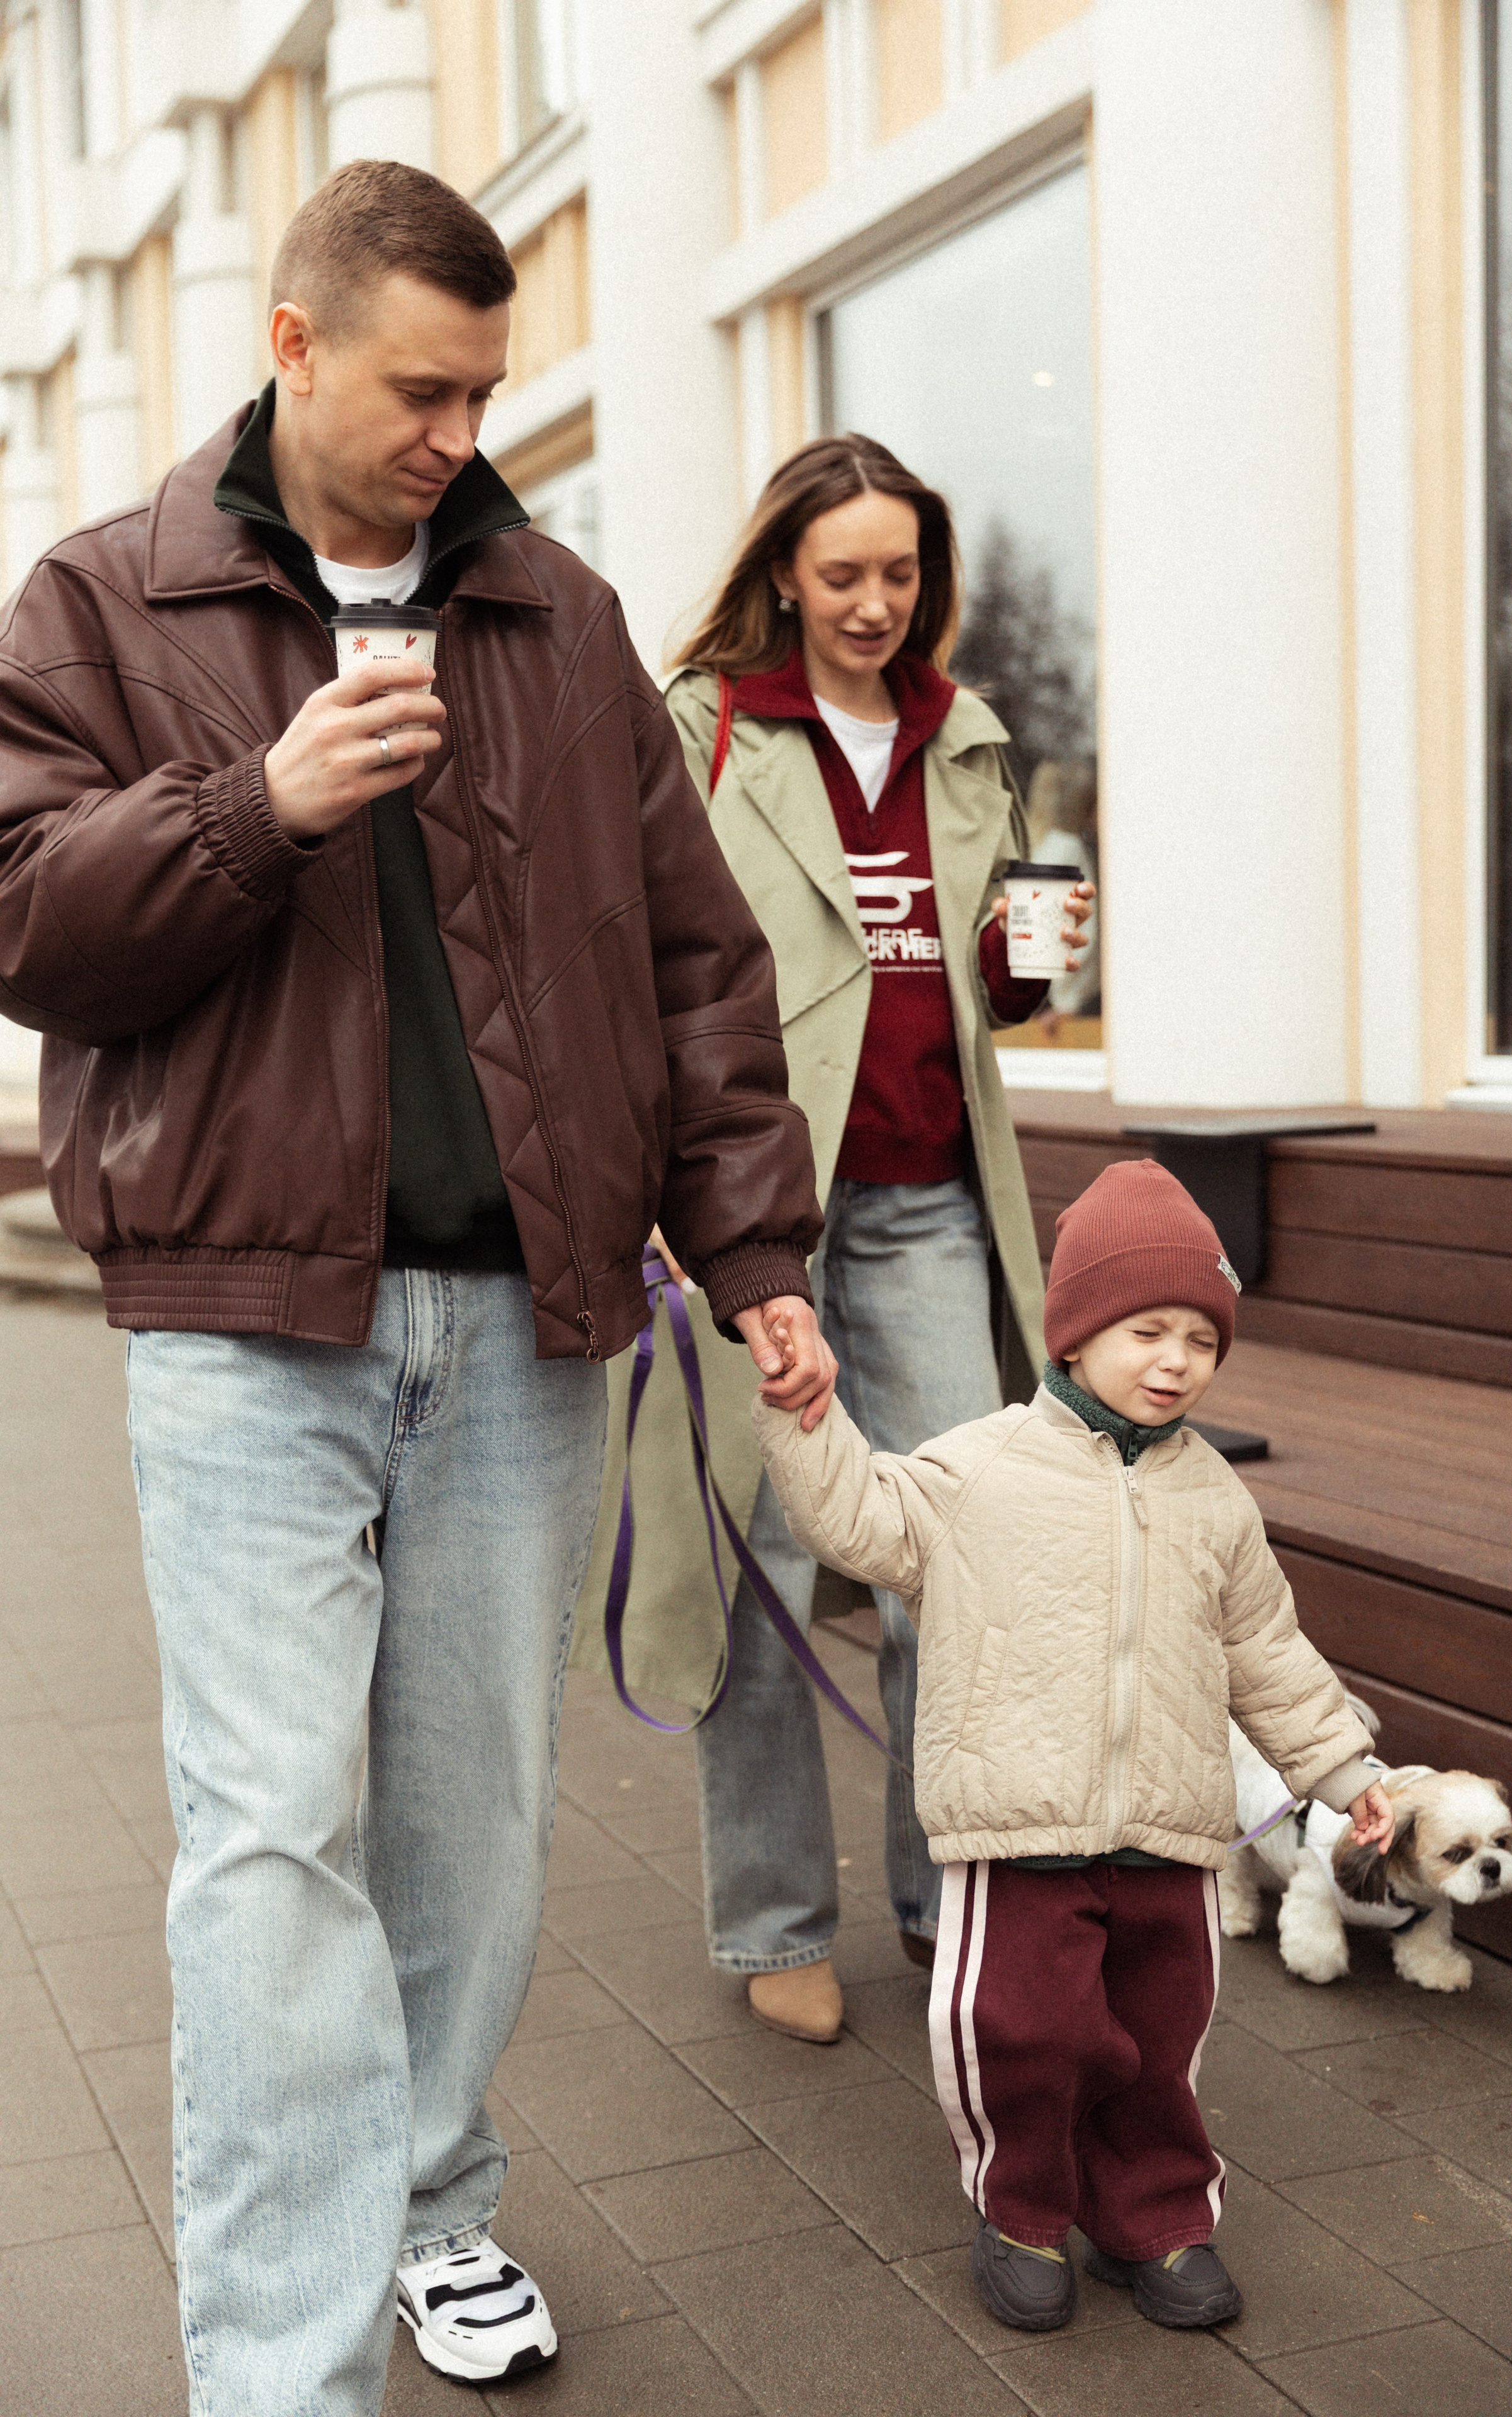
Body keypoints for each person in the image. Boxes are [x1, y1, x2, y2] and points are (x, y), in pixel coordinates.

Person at [0, 162, 832, 2416]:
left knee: (474, 1820)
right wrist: (252, 808)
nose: (462, 430)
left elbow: (695, 967)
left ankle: (435, 2206)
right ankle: (283, 2368)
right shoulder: (101, 598)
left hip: (524, 1325)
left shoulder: (555, 615)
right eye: (422, 387)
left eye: (487, 388)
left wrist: (754, 1247)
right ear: (292, 343)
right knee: (274, 1848)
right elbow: (25, 925)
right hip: (239, 1324)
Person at [572, 435, 1092, 2046]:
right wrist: (659, 1212)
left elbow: (992, 974)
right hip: (753, 1215)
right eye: (844, 572)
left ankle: (952, 1904)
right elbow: (638, 969)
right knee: (765, 1568)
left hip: (931, 1199)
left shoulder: (970, 742)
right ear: (783, 573)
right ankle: (773, 1921)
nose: (876, 604)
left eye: (901, 573)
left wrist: (1031, 965)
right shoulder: (708, 727)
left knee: (956, 1557)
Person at [751, 1158, 1393, 2334]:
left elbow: (1270, 1651)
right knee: (1024, 2038)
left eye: (1202, 1340)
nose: (1175, 1362)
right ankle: (1023, 2210)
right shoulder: (980, 1466)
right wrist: (807, 1412)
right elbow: (856, 1517)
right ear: (1076, 1333)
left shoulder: (1216, 1500)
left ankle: (1157, 2218)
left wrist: (1344, 1774)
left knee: (1160, 2044)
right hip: (1020, 1828)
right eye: (1147, 1330)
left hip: (1172, 1833)